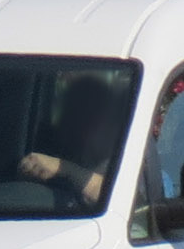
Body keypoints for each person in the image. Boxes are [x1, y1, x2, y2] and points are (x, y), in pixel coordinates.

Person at [17, 75, 118, 206]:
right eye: (75, 107)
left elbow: (115, 197)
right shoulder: (45, 139)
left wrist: (63, 169)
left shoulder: (120, 152)